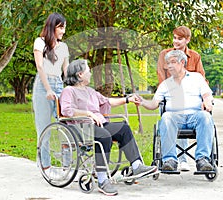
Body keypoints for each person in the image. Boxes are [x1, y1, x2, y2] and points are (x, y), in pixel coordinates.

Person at [60, 59, 157, 196]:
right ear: (80, 74)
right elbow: (66, 110)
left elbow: (106, 101)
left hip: (99, 124)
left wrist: (128, 99)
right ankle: (102, 179)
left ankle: (136, 166)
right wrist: (87, 113)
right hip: (81, 127)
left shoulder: (90, 91)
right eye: (88, 70)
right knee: (104, 136)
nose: (90, 72)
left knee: (123, 129)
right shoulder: (69, 91)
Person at [139, 50, 214, 172]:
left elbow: (206, 95)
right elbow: (153, 104)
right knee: (166, 116)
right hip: (174, 118)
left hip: (195, 116)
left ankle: (202, 159)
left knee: (205, 116)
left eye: (173, 62)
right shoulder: (165, 84)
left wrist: (207, 101)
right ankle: (170, 160)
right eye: (168, 63)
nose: (169, 66)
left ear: (182, 62)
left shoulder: (197, 78)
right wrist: (142, 101)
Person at [157, 26, 208, 171]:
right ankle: (178, 158)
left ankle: (196, 159)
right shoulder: (165, 55)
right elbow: (161, 77)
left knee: (197, 113)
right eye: (174, 38)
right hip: (172, 97)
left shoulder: (195, 57)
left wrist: (205, 98)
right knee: (175, 109)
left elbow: (202, 79)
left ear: (187, 40)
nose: (175, 41)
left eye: (179, 39)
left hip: (192, 99)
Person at [32, 13, 69, 172]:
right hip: (42, 85)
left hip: (59, 84)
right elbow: (40, 67)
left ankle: (67, 166)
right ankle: (45, 166)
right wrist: (48, 89)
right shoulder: (39, 42)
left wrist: (72, 89)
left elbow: (66, 70)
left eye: (64, 27)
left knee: (66, 124)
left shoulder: (64, 46)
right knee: (44, 127)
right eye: (61, 27)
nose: (63, 31)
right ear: (52, 26)